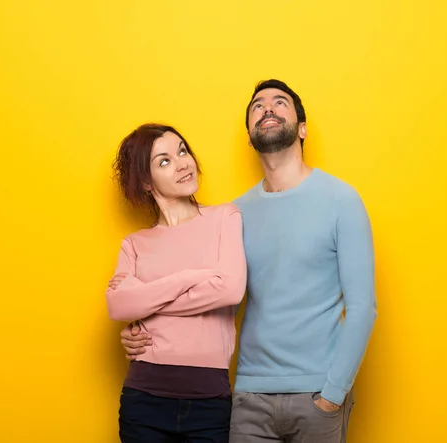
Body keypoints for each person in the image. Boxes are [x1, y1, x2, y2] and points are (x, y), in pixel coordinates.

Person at [120, 80, 377, 443]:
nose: (267, 108)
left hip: (318, 394)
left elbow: (363, 307)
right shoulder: (235, 213)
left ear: (302, 128)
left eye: (280, 102)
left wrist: (333, 395)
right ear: (250, 136)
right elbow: (219, 299)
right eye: (258, 105)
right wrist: (143, 328)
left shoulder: (341, 200)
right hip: (247, 398)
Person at [106, 123, 247, 442]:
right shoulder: (134, 244)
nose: (183, 162)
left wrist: (147, 302)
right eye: (164, 160)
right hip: (143, 399)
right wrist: (190, 278)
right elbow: (118, 306)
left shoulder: (224, 217)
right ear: (145, 181)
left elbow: (231, 288)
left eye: (182, 151)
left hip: (209, 402)